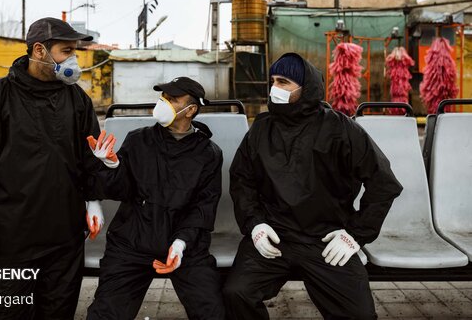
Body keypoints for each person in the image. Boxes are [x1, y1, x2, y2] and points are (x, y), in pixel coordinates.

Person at [223, 53, 403, 319]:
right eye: (272, 81)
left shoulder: (341, 129)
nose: (275, 88)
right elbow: (242, 180)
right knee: (236, 293)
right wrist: (255, 225)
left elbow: (383, 183)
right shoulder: (261, 130)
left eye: (283, 82)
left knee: (360, 315)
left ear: (305, 88)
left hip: (326, 238)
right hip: (275, 235)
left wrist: (355, 235)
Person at [0, 17, 105, 319]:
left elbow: (90, 157)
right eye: (65, 51)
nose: (73, 59)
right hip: (13, 234)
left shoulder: (77, 99)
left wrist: (93, 200)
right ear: (39, 51)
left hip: (65, 233)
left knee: (58, 308)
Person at [86, 77, 226, 320]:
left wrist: (181, 244)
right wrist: (111, 165)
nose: (163, 103)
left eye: (172, 99)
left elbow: (203, 207)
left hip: (185, 247)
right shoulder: (138, 140)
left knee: (211, 311)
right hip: (131, 243)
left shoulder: (209, 154)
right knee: (105, 314)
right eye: (163, 97)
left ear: (190, 110)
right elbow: (119, 191)